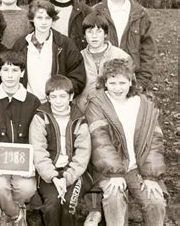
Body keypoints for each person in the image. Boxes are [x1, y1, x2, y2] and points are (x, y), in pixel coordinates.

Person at [85, 58, 167, 225]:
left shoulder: (144, 105)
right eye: (112, 83)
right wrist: (115, 173)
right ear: (105, 83)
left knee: (156, 200)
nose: (117, 88)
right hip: (108, 169)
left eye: (122, 83)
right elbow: (100, 141)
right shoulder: (97, 104)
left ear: (131, 82)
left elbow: (154, 141)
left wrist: (150, 176)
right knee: (114, 196)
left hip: (138, 167)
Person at [0, 50, 41, 225]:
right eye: (5, 70)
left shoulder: (33, 101)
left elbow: (37, 135)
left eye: (15, 70)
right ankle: (14, 214)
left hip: (22, 162)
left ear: (22, 73)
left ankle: (9, 210)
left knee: (27, 188)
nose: (10, 76)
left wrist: (33, 160)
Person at [29, 75, 92, 225]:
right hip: (48, 173)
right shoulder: (40, 118)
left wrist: (67, 177)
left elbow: (82, 154)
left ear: (71, 97)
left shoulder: (79, 120)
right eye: (54, 96)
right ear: (48, 98)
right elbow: (39, 152)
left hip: (75, 173)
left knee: (69, 205)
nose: (58, 101)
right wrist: (54, 177)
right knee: (52, 205)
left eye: (63, 96)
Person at [93, 0, 155, 93]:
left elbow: (148, 50)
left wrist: (142, 81)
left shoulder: (141, 13)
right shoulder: (96, 11)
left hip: (132, 77)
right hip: (104, 77)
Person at [12, 0, 86, 103]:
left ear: (53, 20)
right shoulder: (21, 44)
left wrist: (59, 96)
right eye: (39, 18)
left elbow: (78, 76)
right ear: (32, 19)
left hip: (55, 105)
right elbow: (11, 74)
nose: (43, 22)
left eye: (48, 18)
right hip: (26, 103)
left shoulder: (65, 44)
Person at [75, 13, 131, 112]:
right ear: (84, 35)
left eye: (99, 31)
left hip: (114, 110)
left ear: (105, 34)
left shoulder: (121, 56)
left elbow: (130, 86)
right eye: (90, 31)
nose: (94, 36)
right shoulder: (77, 57)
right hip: (84, 110)